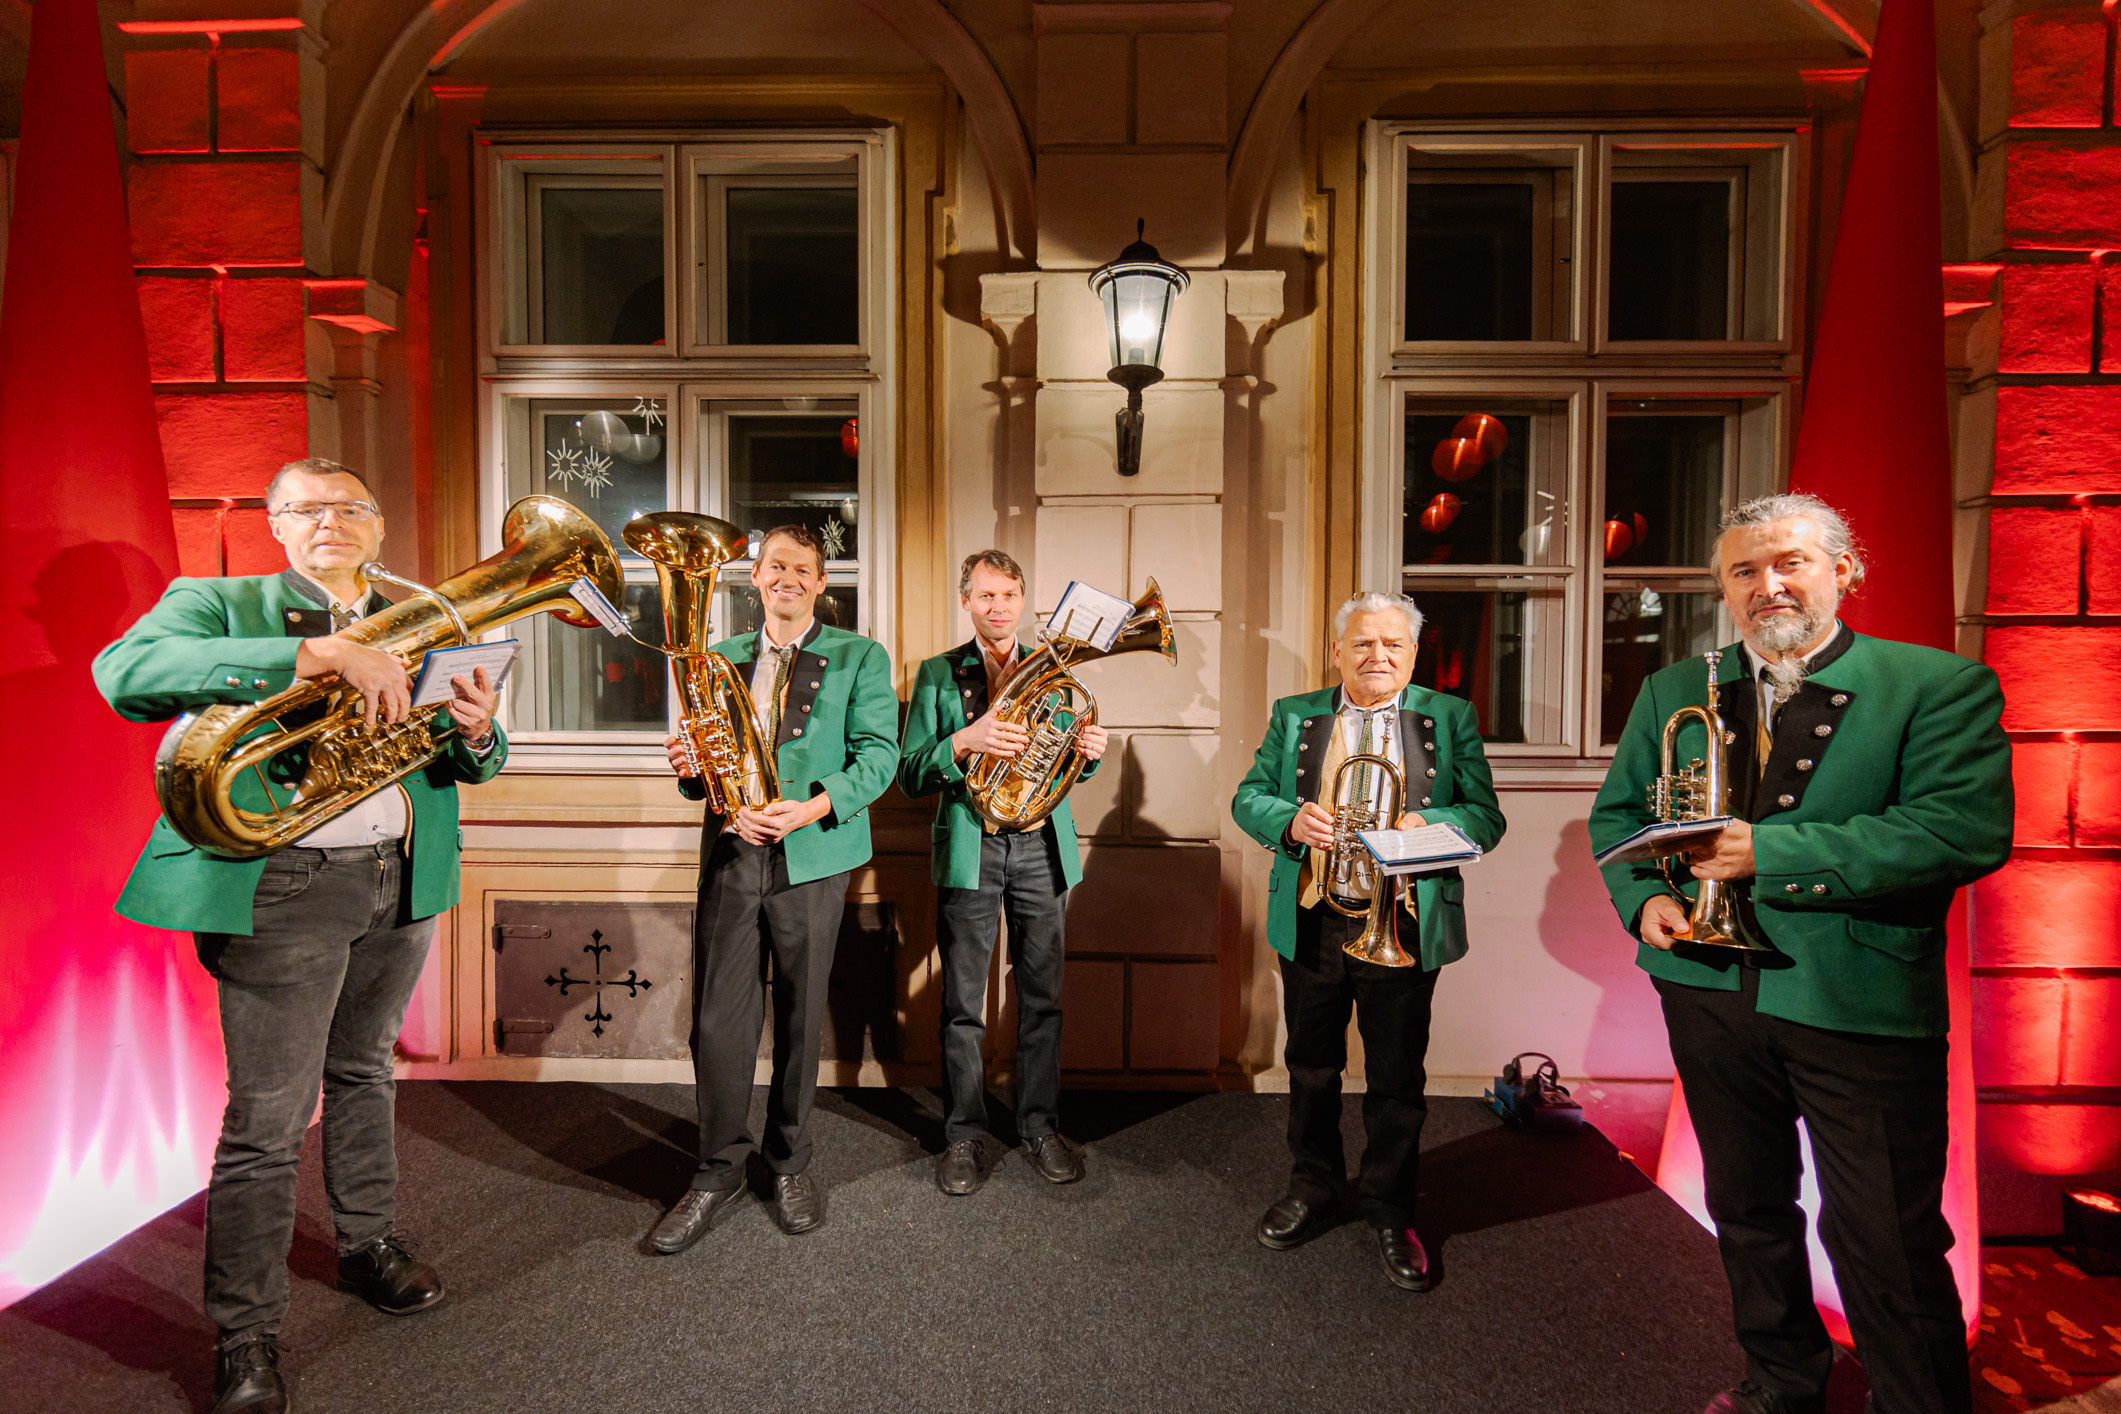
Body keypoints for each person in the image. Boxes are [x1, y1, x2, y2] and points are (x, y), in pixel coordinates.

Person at [93, 458, 504, 1414]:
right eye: (305, 509)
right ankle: (246, 1332)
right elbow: (126, 673)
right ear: (275, 525)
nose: (328, 521)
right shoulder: (218, 601)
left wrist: (479, 730)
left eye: (349, 507)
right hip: (283, 885)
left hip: (400, 877)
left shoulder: (423, 616)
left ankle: (366, 1244)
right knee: (269, 1118)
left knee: (364, 1072)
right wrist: (317, 657)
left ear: (378, 526)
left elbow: (472, 761)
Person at [1589, 493, 2012, 1414]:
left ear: (1843, 571)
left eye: (1790, 563)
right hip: (1706, 986)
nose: (1767, 585)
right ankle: (1780, 1385)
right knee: (1745, 1209)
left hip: (1856, 995)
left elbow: (1958, 832)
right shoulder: (1674, 687)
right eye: (1744, 571)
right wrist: (1644, 899)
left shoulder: (1936, 685)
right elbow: (1619, 817)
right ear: (1723, 590)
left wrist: (1770, 853)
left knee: (1886, 1234)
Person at [1229, 591, 1505, 1291]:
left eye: (1391, 644)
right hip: (1316, 916)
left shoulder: (1450, 716)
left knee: (1396, 1078)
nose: (1376, 656)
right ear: (1337, 652)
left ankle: (1390, 1208)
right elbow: (1248, 795)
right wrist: (1289, 822)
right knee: (1310, 1067)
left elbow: (1485, 816)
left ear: (1412, 654)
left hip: (1402, 923)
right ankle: (1313, 1187)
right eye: (1361, 643)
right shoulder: (1296, 714)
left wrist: (1430, 825)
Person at [649, 524, 899, 1252]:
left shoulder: (860, 656)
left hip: (813, 856)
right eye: (774, 566)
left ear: (820, 582)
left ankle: (788, 1162)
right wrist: (689, 765)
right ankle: (716, 1169)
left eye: (802, 569)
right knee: (717, 1020)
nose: (787, 577)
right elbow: (704, 769)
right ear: (755, 577)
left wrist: (811, 807)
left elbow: (879, 756)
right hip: (733, 852)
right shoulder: (719, 658)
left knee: (799, 1014)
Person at [897, 550, 1109, 1195]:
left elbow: (1064, 764)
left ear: (1022, 600)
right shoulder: (939, 673)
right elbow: (909, 773)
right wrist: (966, 740)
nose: (998, 606)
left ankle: (1039, 1126)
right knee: (963, 1003)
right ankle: (963, 1134)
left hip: (1041, 846)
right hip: (974, 845)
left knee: (1042, 998)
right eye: (986, 595)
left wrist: (1088, 753)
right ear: (966, 601)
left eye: (1009, 595)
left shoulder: (1055, 671)